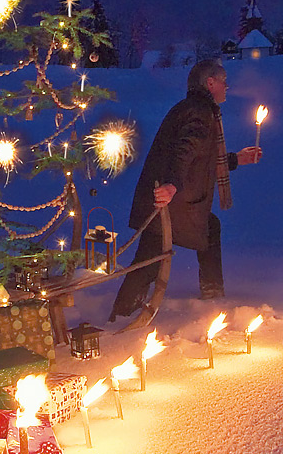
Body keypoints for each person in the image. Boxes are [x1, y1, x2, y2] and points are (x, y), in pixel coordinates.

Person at [108, 59, 262, 321]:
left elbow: (200, 160)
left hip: (171, 198)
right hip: (171, 201)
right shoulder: (200, 112)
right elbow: (185, 151)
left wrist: (237, 159)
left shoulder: (195, 109)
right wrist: (172, 185)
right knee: (153, 254)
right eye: (223, 80)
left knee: (190, 236)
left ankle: (126, 310)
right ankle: (123, 313)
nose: (227, 86)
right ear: (210, 83)